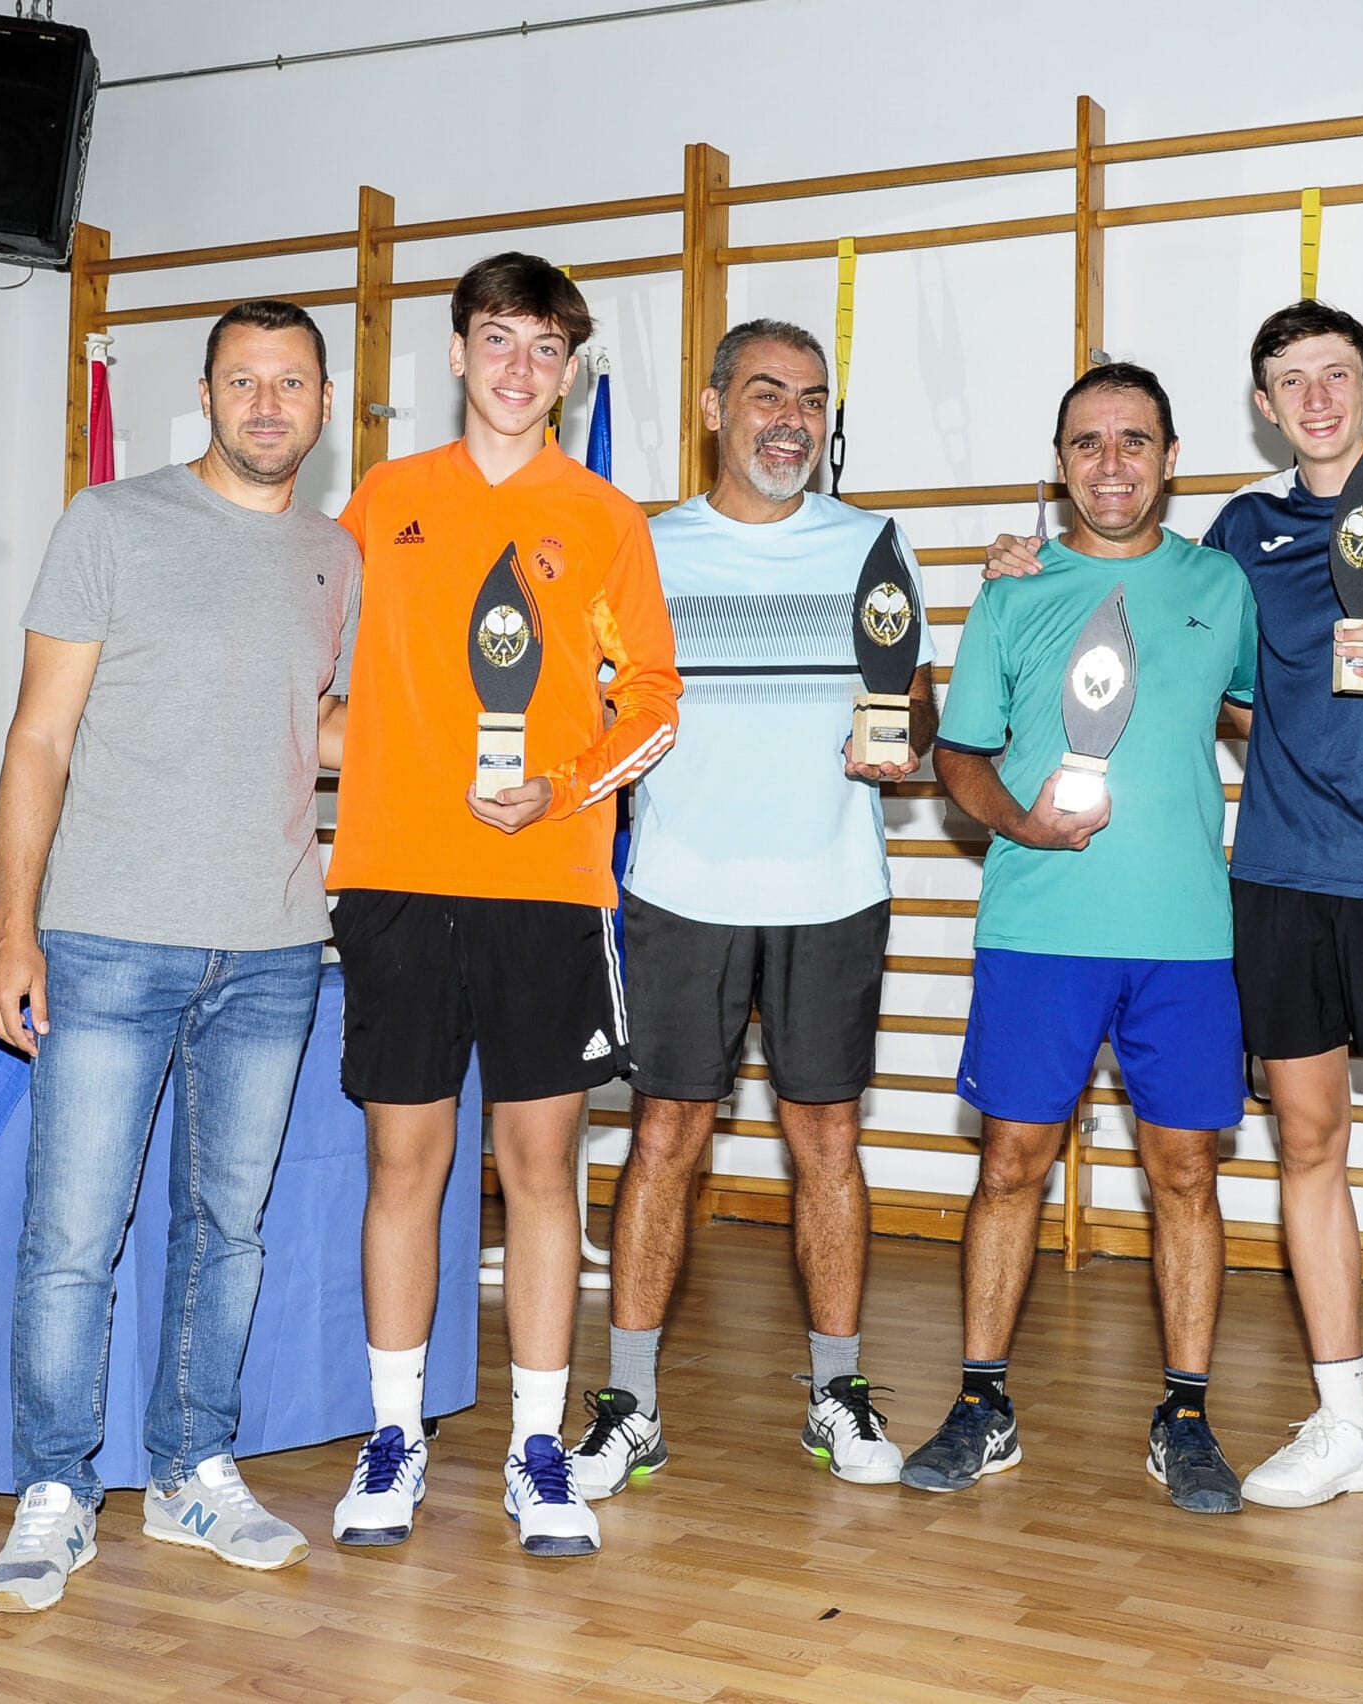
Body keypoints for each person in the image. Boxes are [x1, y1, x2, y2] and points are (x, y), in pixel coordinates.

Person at [983, 303, 1363, 1573]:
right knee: (1306, 1146)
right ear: (1261, 404)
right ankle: (1348, 1424)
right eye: (1289, 381)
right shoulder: (1239, 533)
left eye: (1333, 375)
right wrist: (1021, 563)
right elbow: (1203, 671)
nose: (1314, 399)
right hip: (1278, 884)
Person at [0, 300, 360, 1614]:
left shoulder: (336, 555)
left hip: (274, 950)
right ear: (205, 395)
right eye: (242, 381)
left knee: (227, 1233)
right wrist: (13, 926)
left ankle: (193, 1468)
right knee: (73, 1237)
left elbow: (317, 727)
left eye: (290, 383)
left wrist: (490, 727)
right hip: (104, 939)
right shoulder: (110, 523)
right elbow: (38, 738)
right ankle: (54, 1488)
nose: (267, 404)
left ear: (324, 404)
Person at [324, 252, 681, 1559]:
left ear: (568, 369)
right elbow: (309, 662)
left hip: (545, 886)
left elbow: (654, 700)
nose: (519, 369)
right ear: (457, 353)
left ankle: (539, 1446)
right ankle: (394, 1435)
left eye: (544, 349)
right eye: (497, 341)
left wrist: (563, 787)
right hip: (396, 881)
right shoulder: (385, 500)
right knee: (404, 1167)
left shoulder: (603, 516)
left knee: (540, 1170)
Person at [567, 319, 934, 1500]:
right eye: (767, 394)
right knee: (664, 1138)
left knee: (827, 1143)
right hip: (681, 889)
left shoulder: (870, 543)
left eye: (812, 399)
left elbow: (915, 706)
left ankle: (838, 1392)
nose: (791, 419)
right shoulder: (646, 545)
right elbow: (595, 710)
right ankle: (629, 1406)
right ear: (715, 408)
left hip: (832, 889)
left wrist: (900, 740)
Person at [907, 362, 1257, 1515]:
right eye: (1087, 443)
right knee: (1009, 1165)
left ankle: (1185, 1415)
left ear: (1170, 458)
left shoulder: (1221, 586)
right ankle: (981, 1403)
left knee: (1185, 1174)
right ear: (1058, 466)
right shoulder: (1012, 592)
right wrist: (1019, 822)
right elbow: (958, 752)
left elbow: (1272, 712)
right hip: (1039, 929)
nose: (1112, 463)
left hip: (1184, 939)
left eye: (1134, 440)